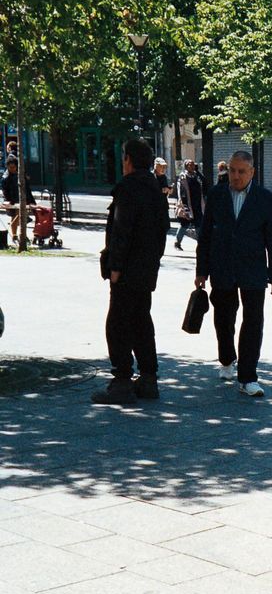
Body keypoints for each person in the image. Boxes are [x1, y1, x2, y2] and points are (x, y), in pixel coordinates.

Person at [195, 149, 272, 398]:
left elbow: (271, 241)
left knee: (253, 322)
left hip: (253, 269)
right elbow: (205, 235)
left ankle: (248, 377)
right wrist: (201, 270)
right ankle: (226, 359)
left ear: (252, 172)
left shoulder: (264, 198)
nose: (235, 175)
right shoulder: (216, 195)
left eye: (241, 171)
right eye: (232, 170)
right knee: (224, 317)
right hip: (221, 266)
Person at [91, 138, 170, 405]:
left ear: (128, 160)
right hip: (146, 270)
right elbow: (162, 233)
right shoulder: (155, 188)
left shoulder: (128, 188)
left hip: (126, 271)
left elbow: (121, 230)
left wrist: (115, 267)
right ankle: (148, 379)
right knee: (141, 322)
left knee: (118, 324)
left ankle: (122, 381)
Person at [1, 155, 35, 243]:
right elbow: (5, 191)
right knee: (14, 216)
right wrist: (8, 201)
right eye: (10, 167)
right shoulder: (6, 178)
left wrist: (30, 200)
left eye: (13, 167)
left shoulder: (21, 175)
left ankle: (23, 235)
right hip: (12, 200)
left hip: (23, 199)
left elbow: (27, 188)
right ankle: (14, 235)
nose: (12, 169)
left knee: (23, 217)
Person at [174, 158, 205, 250]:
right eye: (190, 165)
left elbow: (205, 184)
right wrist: (186, 209)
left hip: (198, 205)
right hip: (187, 205)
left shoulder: (197, 176)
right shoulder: (183, 177)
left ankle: (202, 245)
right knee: (185, 224)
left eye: (193, 165)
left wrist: (198, 172)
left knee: (199, 225)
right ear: (186, 166)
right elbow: (182, 193)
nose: (192, 167)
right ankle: (177, 242)